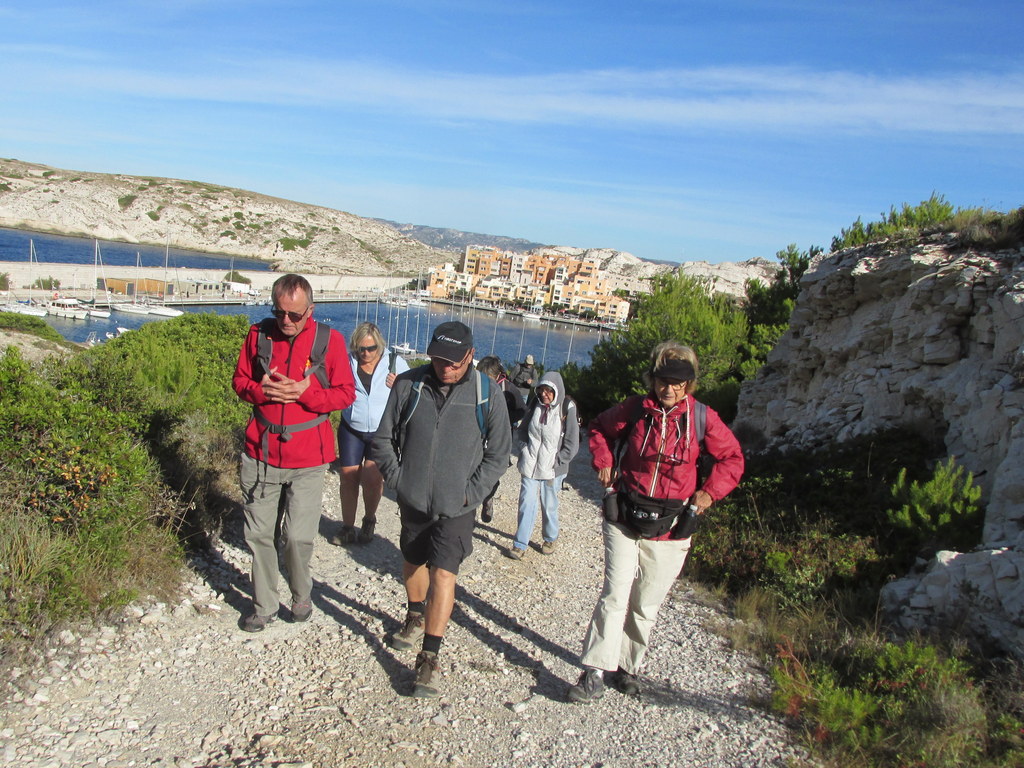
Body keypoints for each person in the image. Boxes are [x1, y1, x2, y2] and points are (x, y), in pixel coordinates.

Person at [567, 341, 744, 701]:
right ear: (653, 378)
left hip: (673, 523)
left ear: (689, 384)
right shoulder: (635, 409)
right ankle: (594, 671)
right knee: (615, 594)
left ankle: (627, 667)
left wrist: (709, 493)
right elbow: (599, 429)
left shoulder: (701, 418)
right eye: (663, 379)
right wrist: (602, 460)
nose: (669, 388)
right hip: (625, 514)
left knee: (647, 601)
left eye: (678, 382)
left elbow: (733, 458)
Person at [371, 321, 511, 697]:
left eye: (452, 360)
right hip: (413, 499)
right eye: (437, 358)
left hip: (458, 506)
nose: (443, 367)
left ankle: (429, 659)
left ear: (470, 355)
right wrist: (400, 482)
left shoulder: (487, 394)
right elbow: (382, 440)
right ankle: (415, 612)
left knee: (444, 573)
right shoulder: (409, 385)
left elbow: (499, 455)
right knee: (413, 561)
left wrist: (471, 494)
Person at [232, 274, 356, 633]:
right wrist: (261, 390)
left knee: (298, 536)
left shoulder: (329, 342)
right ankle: (264, 604)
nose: (286, 321)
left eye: (295, 315)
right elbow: (239, 381)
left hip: (308, 459)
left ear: (310, 310)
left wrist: (305, 393)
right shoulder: (257, 336)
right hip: (261, 453)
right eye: (280, 312)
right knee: (258, 535)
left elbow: (346, 394)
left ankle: (301, 593)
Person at [329, 322, 409, 546]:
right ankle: (347, 527)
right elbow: (333, 384)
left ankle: (369, 519)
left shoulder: (395, 363)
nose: (365, 353)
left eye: (371, 348)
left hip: (381, 431)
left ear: (379, 346)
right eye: (360, 349)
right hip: (351, 427)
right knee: (348, 477)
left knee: (373, 479)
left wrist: (400, 385)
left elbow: (414, 392)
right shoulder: (348, 361)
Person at [506, 371, 579, 559]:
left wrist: (559, 461)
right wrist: (523, 448)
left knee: (549, 505)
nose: (544, 394)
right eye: (541, 390)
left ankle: (550, 537)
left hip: (553, 469)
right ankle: (520, 544)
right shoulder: (535, 404)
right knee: (526, 503)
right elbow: (522, 430)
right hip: (530, 463)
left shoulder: (567, 407)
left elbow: (572, 442)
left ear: (556, 390)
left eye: (548, 391)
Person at [475, 355, 526, 523]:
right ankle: (469, 509)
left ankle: (488, 497)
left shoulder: (509, 389)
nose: (483, 381)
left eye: (486, 378)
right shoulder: (475, 386)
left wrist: (503, 418)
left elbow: (522, 411)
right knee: (473, 469)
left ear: (497, 376)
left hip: (499, 436)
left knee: (493, 472)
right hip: (478, 435)